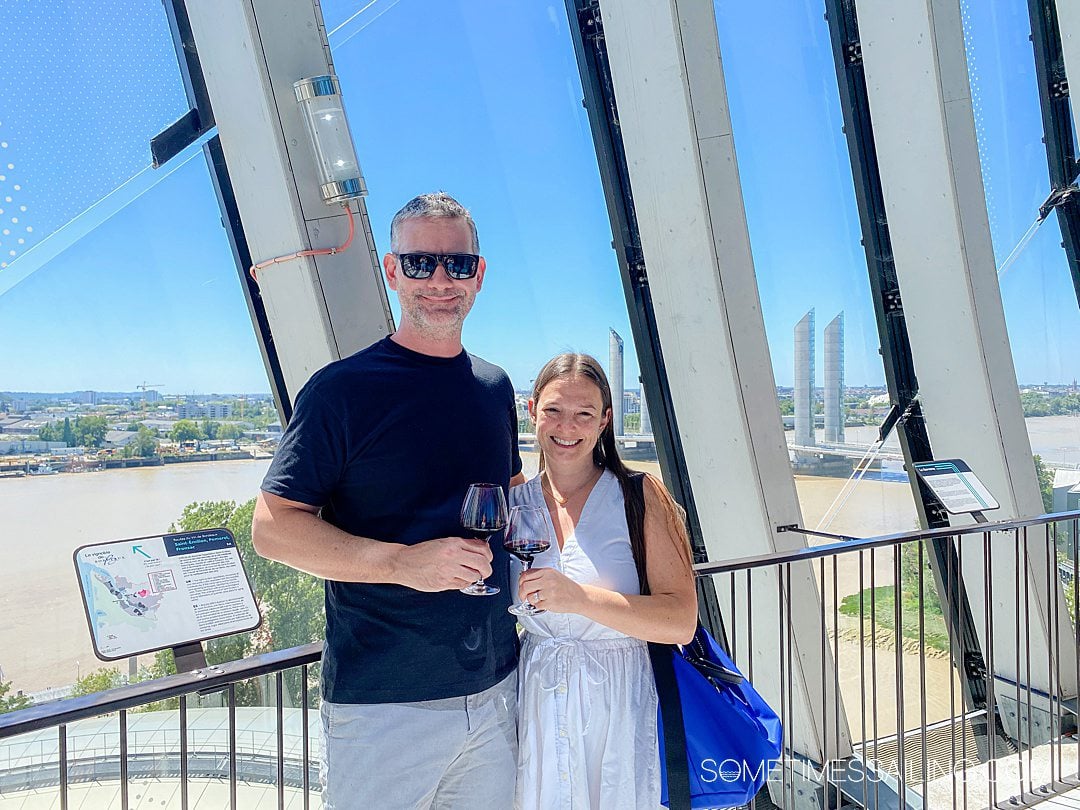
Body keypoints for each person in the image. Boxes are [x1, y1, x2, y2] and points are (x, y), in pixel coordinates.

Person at [251, 192, 525, 809]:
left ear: (478, 275)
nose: (439, 280)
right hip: (383, 704)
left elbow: (511, 499)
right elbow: (272, 528)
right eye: (420, 263)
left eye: (456, 264)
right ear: (392, 270)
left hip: (496, 689)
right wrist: (400, 564)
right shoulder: (341, 391)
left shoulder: (493, 387)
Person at [511, 353, 698, 810]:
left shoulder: (639, 494)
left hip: (619, 701)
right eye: (553, 410)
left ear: (605, 421)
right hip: (535, 696)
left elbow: (681, 622)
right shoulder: (515, 502)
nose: (566, 426)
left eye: (584, 413)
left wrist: (578, 598)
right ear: (532, 411)